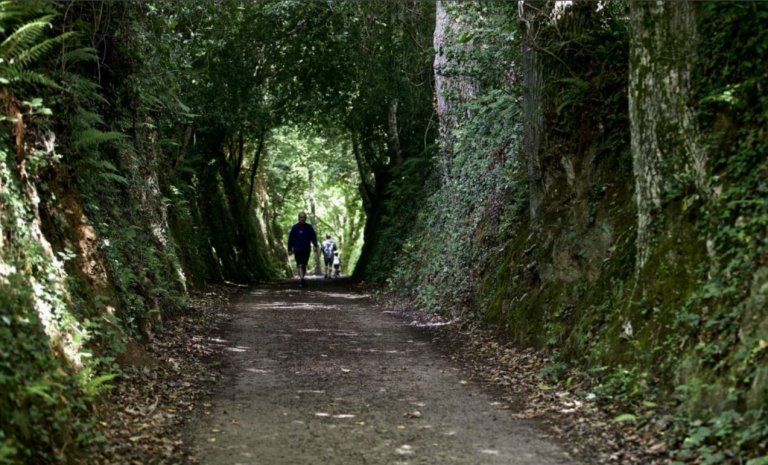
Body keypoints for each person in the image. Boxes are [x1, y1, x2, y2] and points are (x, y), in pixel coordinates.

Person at [287, 211, 318, 287]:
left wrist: (315, 245)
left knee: (304, 264)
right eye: (301, 217)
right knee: (300, 264)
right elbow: (290, 239)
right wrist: (289, 249)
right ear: (298, 218)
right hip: (297, 249)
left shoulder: (309, 227)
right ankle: (301, 280)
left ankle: (302, 277)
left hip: (306, 249)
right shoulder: (294, 228)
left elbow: (313, 237)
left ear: (306, 218)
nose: (302, 219)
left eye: (304, 217)